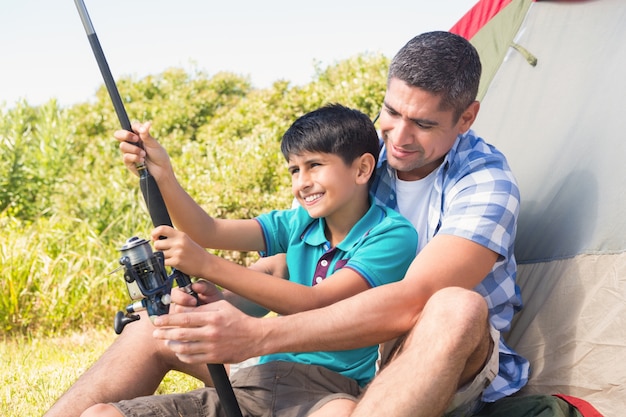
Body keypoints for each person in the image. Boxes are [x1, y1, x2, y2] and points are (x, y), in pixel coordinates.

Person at [46, 31, 529, 417]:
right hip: (307, 360)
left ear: (466, 118)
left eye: (423, 124)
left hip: (417, 359)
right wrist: (163, 180)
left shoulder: (485, 183)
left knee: (456, 307)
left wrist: (255, 333)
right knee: (150, 331)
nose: (398, 139)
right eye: (391, 112)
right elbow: (292, 258)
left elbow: (411, 301)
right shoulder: (363, 162)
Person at [80, 104, 418, 416]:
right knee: (100, 414)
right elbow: (208, 230)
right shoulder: (297, 222)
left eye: (314, 165)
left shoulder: (391, 234)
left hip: (327, 392)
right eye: (294, 170)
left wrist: (207, 265)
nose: (302, 183)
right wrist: (162, 173)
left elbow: (318, 303)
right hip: (254, 382)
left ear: (362, 168)